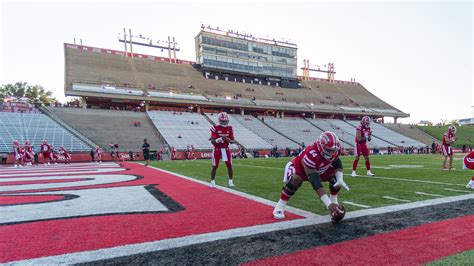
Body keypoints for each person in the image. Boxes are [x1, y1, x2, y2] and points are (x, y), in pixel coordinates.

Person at [273, 131, 349, 219]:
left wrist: (340, 178)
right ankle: (280, 205)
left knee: (336, 179)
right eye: (329, 150)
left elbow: (336, 162)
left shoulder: (336, 149)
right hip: (300, 168)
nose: (332, 152)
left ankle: (334, 200)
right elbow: (316, 183)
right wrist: (328, 204)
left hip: (320, 168)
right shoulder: (312, 154)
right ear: (321, 146)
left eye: (333, 150)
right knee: (296, 179)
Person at [210, 112, 235, 188]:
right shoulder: (215, 128)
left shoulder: (230, 128)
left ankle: (230, 181)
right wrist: (220, 139)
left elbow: (233, 140)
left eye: (225, 121)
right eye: (222, 121)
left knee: (229, 165)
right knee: (215, 166)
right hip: (217, 149)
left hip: (225, 148)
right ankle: (213, 181)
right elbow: (212, 141)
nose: (224, 122)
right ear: (219, 120)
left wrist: (229, 140)